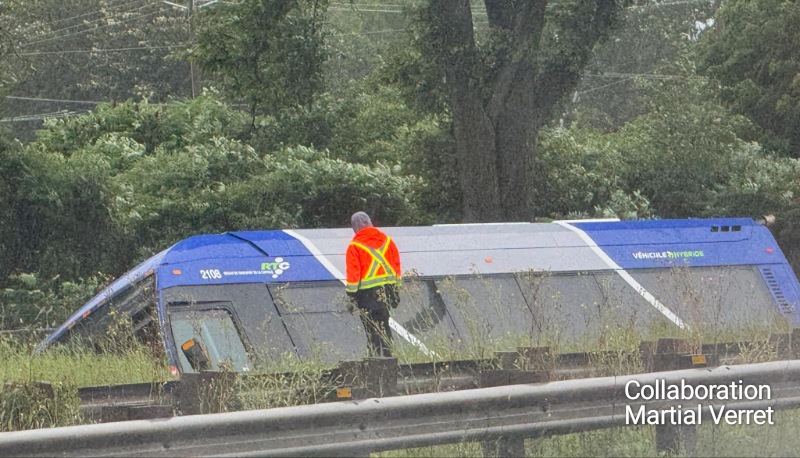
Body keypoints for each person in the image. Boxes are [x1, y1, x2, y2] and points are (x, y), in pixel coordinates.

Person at [345, 211, 401, 357]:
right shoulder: (388, 241)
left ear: (355, 226)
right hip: (387, 291)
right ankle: (391, 360)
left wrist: (351, 298)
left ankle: (374, 360)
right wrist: (396, 292)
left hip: (366, 295)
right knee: (384, 326)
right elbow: (396, 268)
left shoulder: (354, 246)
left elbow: (353, 276)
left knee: (371, 329)